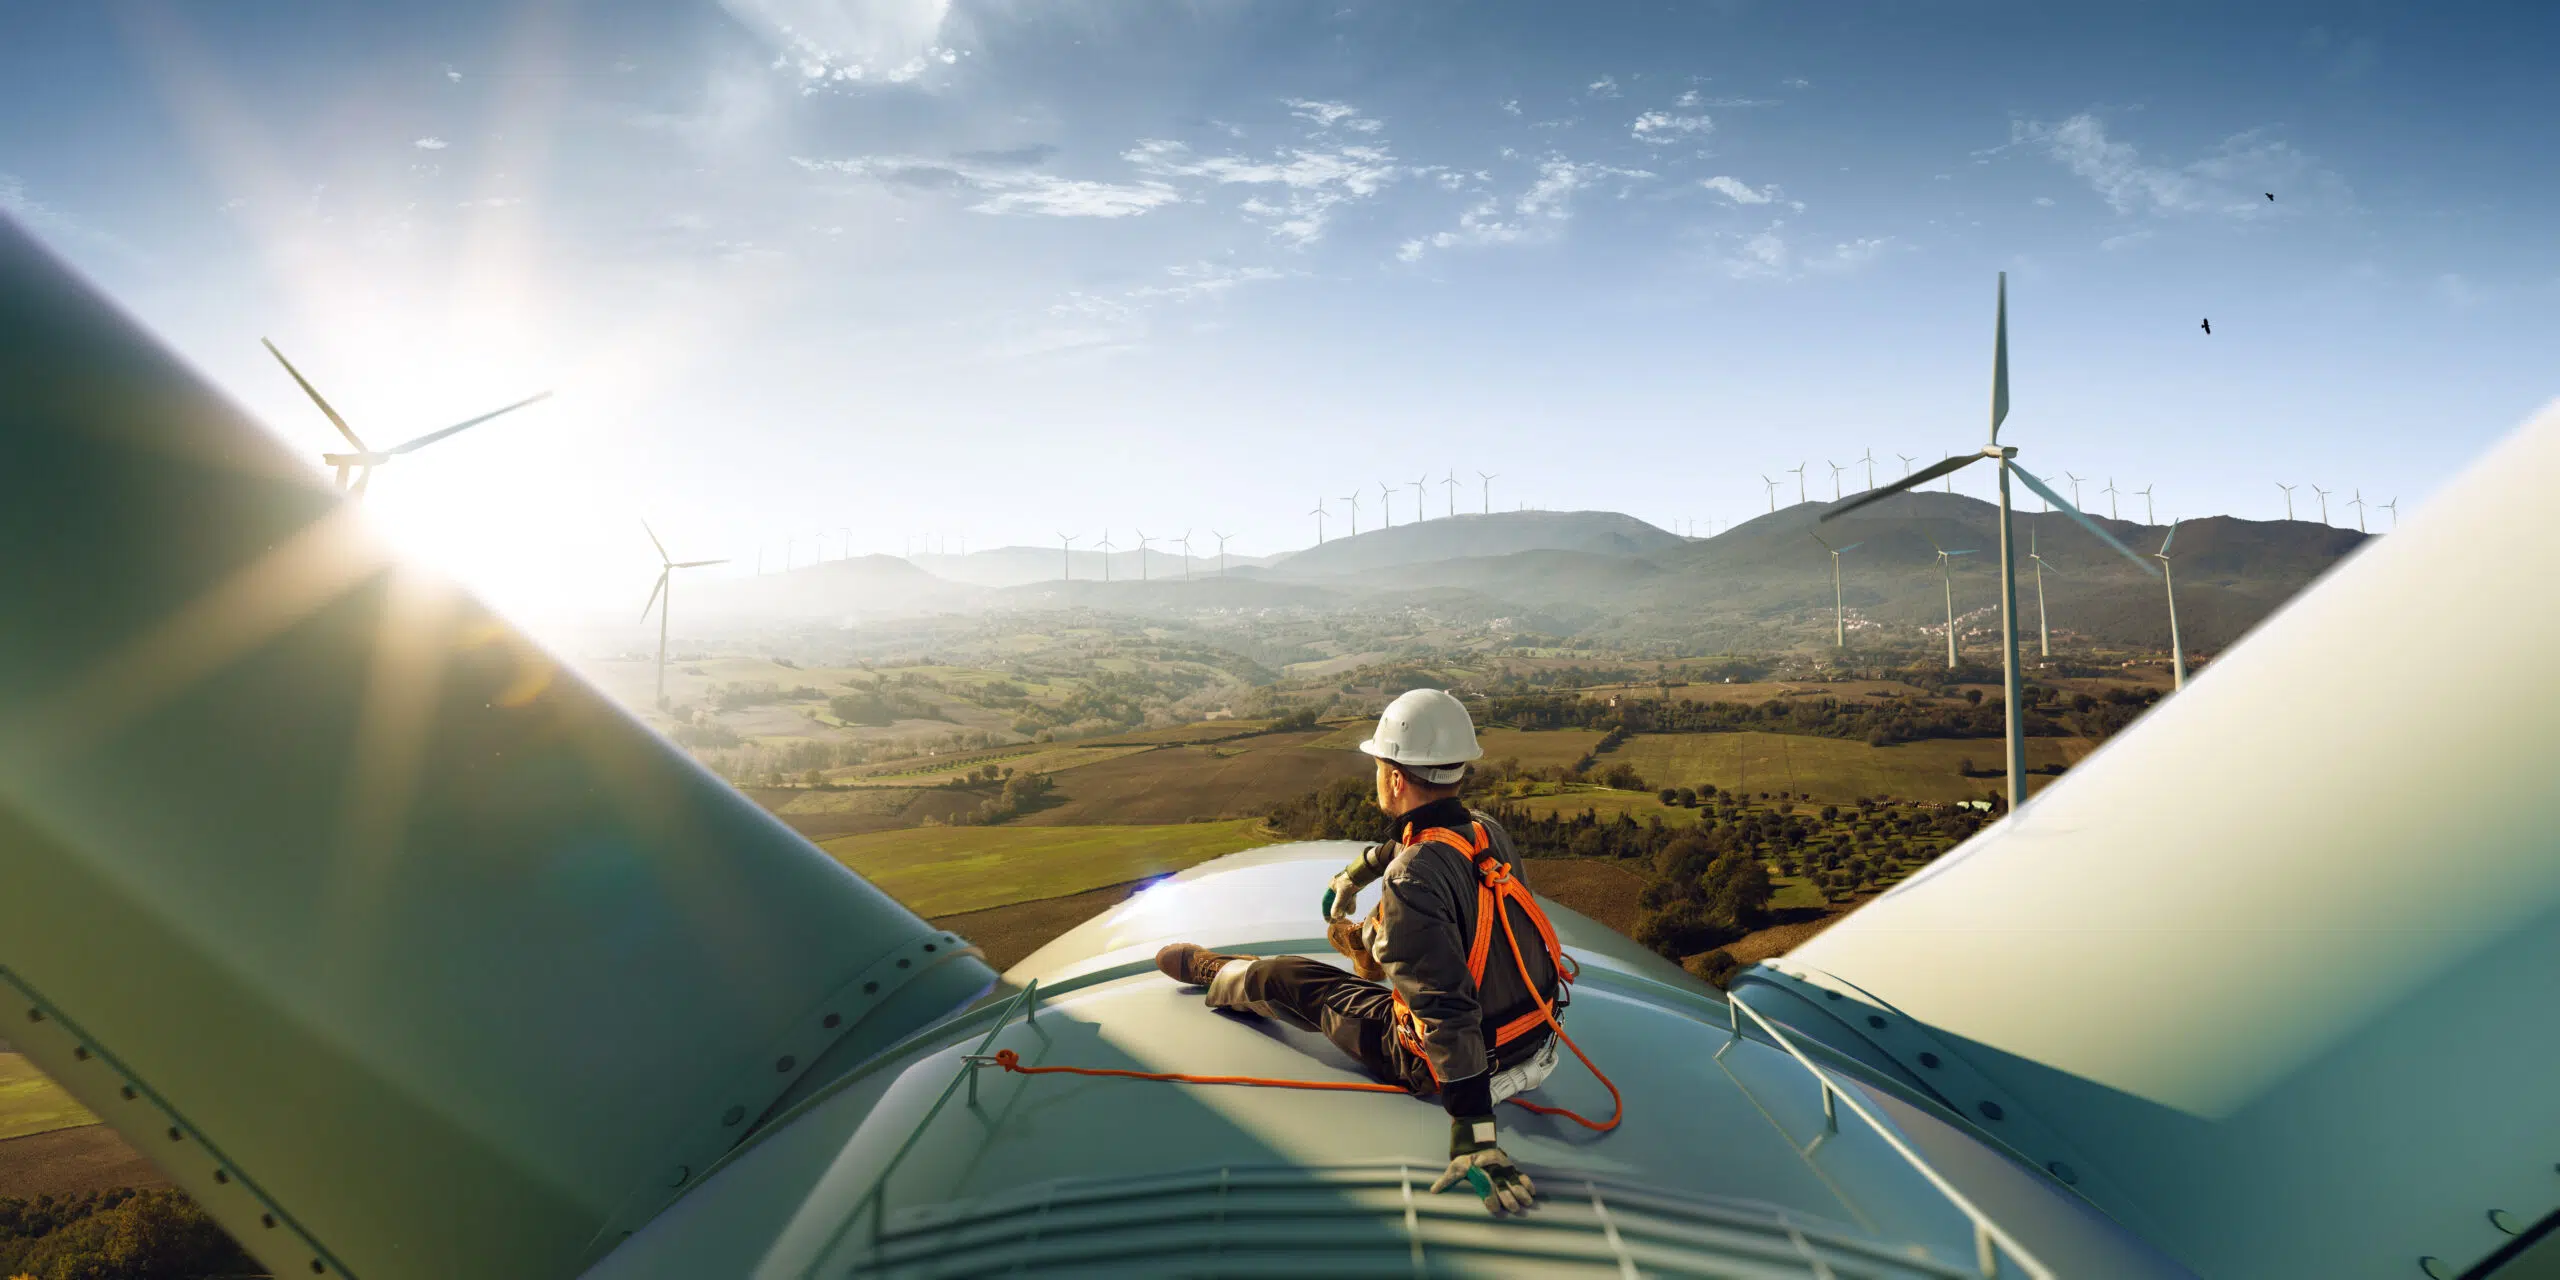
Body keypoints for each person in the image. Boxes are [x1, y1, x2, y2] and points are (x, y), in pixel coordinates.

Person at [1154, 688, 1566, 1216]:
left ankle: (1223, 973)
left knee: (1292, 978)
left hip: (1462, 1067)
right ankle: (1372, 946)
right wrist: (1357, 873)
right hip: (1538, 1042)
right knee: (1398, 933)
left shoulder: (1413, 877)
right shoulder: (1486, 831)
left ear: (1395, 777)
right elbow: (1414, 844)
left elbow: (1446, 1010)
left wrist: (1475, 1134)